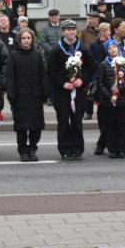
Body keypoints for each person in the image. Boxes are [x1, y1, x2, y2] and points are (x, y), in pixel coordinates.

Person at [47, 19, 94, 160]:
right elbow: (51, 71)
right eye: (68, 29)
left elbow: (91, 67)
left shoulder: (82, 48)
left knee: (77, 120)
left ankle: (77, 149)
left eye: (73, 29)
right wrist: (63, 83)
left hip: (78, 91)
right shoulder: (56, 49)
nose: (71, 32)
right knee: (63, 120)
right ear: (63, 32)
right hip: (62, 91)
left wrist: (82, 79)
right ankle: (65, 149)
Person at [4, 28, 46, 162]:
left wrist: (44, 94)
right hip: (20, 97)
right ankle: (23, 151)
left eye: (28, 38)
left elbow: (42, 76)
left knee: (36, 126)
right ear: (19, 40)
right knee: (21, 127)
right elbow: (10, 78)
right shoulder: (13, 56)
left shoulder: (37, 55)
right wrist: (11, 96)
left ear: (32, 40)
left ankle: (33, 149)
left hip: (35, 96)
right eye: (23, 38)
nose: (26, 40)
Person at [93, 39, 125, 158]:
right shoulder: (104, 64)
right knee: (110, 125)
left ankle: (121, 148)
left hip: (122, 100)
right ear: (107, 51)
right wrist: (109, 96)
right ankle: (112, 148)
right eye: (109, 48)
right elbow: (100, 82)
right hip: (108, 101)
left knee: (121, 125)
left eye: (114, 47)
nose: (113, 49)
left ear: (118, 48)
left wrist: (120, 89)